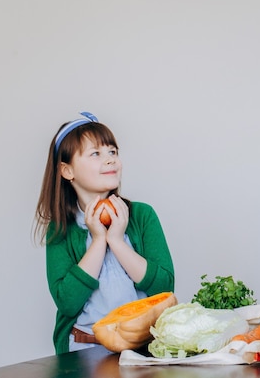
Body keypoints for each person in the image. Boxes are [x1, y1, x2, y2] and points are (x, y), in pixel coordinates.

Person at [34, 112, 174, 354]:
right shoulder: (60, 230)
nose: (110, 160)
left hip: (145, 349)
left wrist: (117, 242)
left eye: (113, 152)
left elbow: (164, 288)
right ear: (67, 171)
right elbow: (67, 302)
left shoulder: (142, 215)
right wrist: (98, 240)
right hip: (83, 350)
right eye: (95, 154)